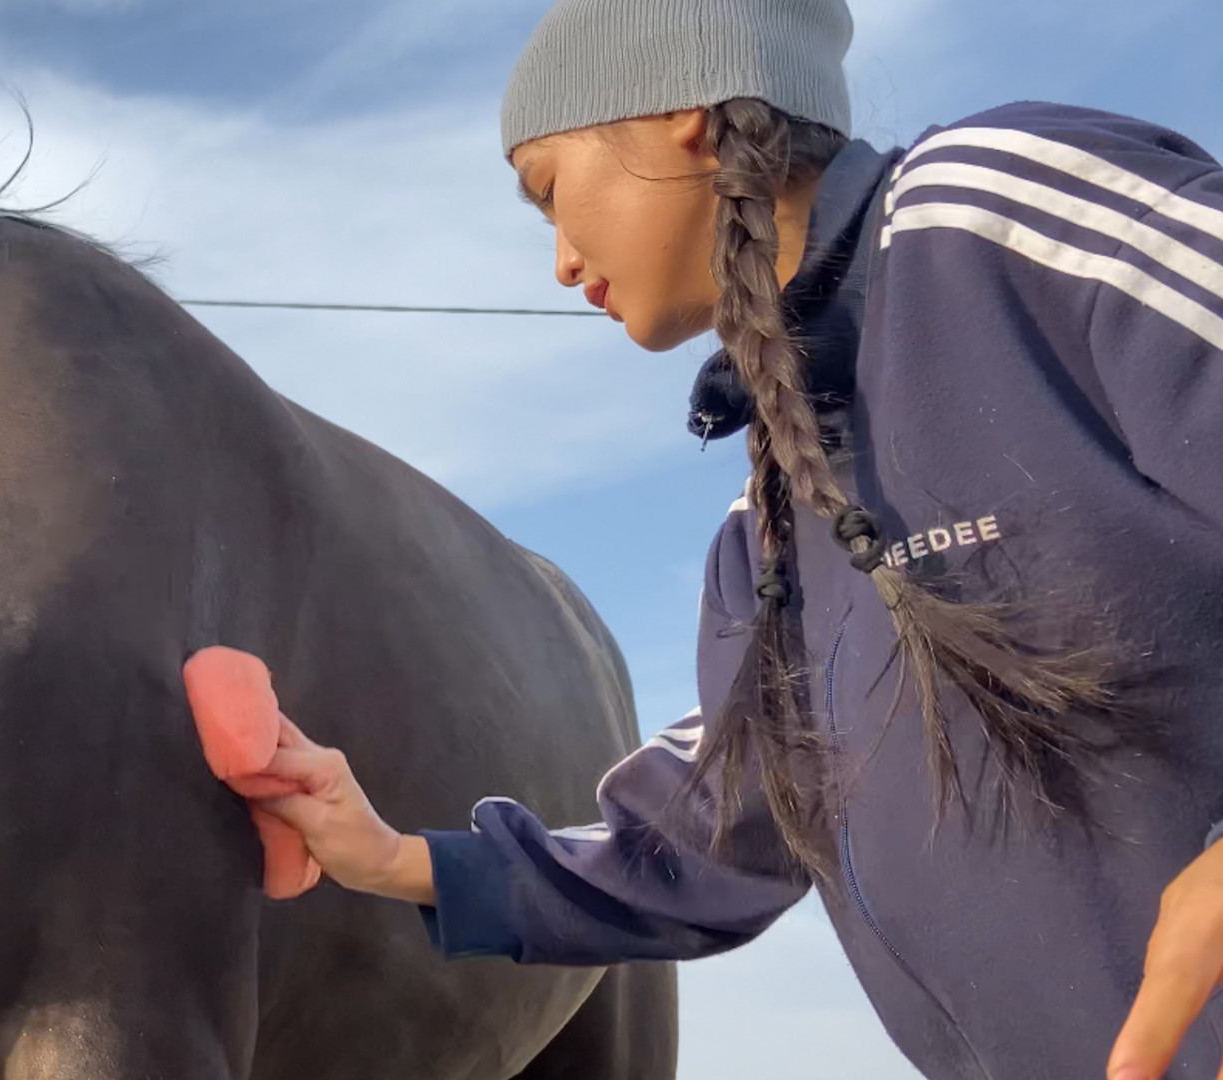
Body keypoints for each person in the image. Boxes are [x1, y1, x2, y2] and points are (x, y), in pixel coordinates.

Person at [238, 2, 1223, 1080]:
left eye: (551, 193)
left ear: (681, 115)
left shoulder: (991, 210)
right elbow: (707, 841)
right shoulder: (768, 534)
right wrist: (390, 858)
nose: (563, 263)